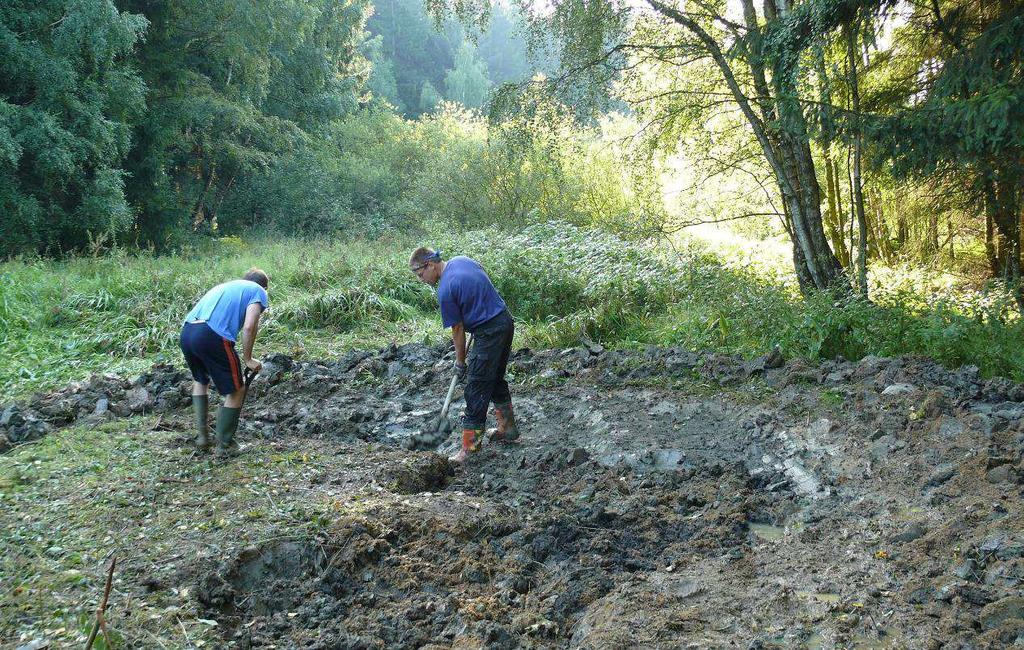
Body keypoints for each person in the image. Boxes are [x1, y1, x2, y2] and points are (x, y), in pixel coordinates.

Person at [410, 247, 519, 462]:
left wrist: (460, 363)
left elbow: (457, 329)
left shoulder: (446, 290)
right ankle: (508, 429)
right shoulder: (463, 261)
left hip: (489, 332)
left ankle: (470, 448)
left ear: (430, 265)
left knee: (476, 386)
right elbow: (481, 277)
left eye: (421, 275)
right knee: (495, 378)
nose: (421, 279)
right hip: (505, 322)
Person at [179, 268, 269, 458]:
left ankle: (203, 437)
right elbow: (249, 326)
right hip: (212, 335)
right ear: (264, 286)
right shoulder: (257, 290)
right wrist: (248, 359)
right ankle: (224, 446)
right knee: (237, 390)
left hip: (187, 332)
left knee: (200, 380)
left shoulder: (225, 287)